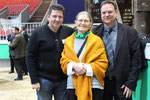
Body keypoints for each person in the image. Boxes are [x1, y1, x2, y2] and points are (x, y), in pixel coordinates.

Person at [92, 0, 141, 100]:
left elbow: (136, 60)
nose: (107, 15)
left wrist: (130, 83)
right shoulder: (94, 33)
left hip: (123, 84)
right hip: (101, 83)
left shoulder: (130, 32)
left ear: (116, 12)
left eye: (110, 12)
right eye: (104, 13)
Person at [26, 4, 74, 100]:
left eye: (60, 17)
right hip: (44, 80)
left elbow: (82, 34)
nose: (57, 19)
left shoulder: (68, 31)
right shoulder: (37, 33)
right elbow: (29, 56)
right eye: (54, 16)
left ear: (63, 18)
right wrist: (34, 80)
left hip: (63, 80)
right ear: (48, 17)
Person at [60, 11, 108, 100]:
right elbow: (63, 62)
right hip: (72, 84)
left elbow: (103, 63)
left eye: (86, 21)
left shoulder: (97, 41)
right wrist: (74, 66)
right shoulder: (68, 41)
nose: (82, 23)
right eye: (80, 20)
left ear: (90, 24)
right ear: (75, 23)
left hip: (93, 84)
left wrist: (85, 68)